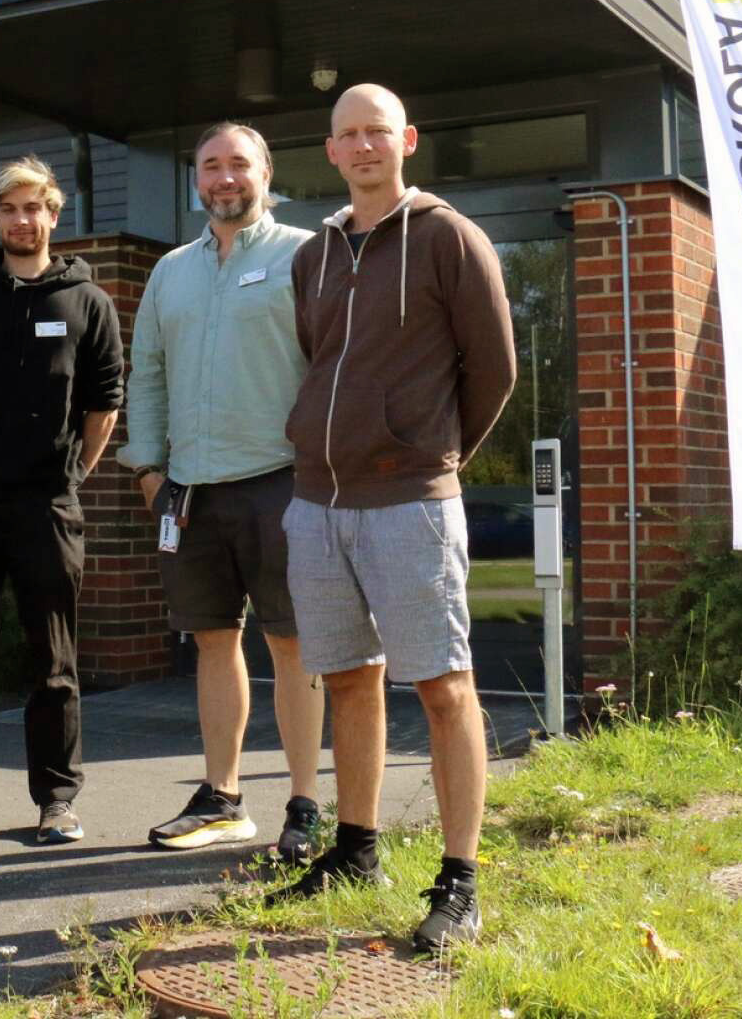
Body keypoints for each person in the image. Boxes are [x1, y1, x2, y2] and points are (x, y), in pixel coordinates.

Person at [268, 84, 516, 955]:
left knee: (445, 688)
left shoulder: (450, 237)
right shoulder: (316, 254)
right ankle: (356, 849)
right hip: (319, 503)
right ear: (330, 151)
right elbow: (320, 359)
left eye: (379, 131)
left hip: (410, 500)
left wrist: (429, 451)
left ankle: (461, 883)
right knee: (347, 680)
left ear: (407, 139)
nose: (365, 146)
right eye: (348, 135)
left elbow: (494, 370)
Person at [121, 122, 329, 855]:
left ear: (266, 173)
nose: (224, 177)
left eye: (239, 163)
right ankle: (222, 798)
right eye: (211, 166)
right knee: (214, 642)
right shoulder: (171, 271)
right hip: (190, 491)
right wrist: (148, 468)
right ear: (196, 181)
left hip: (284, 483)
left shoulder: (306, 254)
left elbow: (334, 363)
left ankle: (305, 807)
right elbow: (145, 373)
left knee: (294, 645)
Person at [0, 155, 122, 845]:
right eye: (8, 208)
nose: (20, 219)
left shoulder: (86, 302)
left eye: (32, 207)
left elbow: (103, 406)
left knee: (54, 662)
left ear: (53, 215)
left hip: (48, 508)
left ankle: (57, 800)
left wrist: (69, 474)